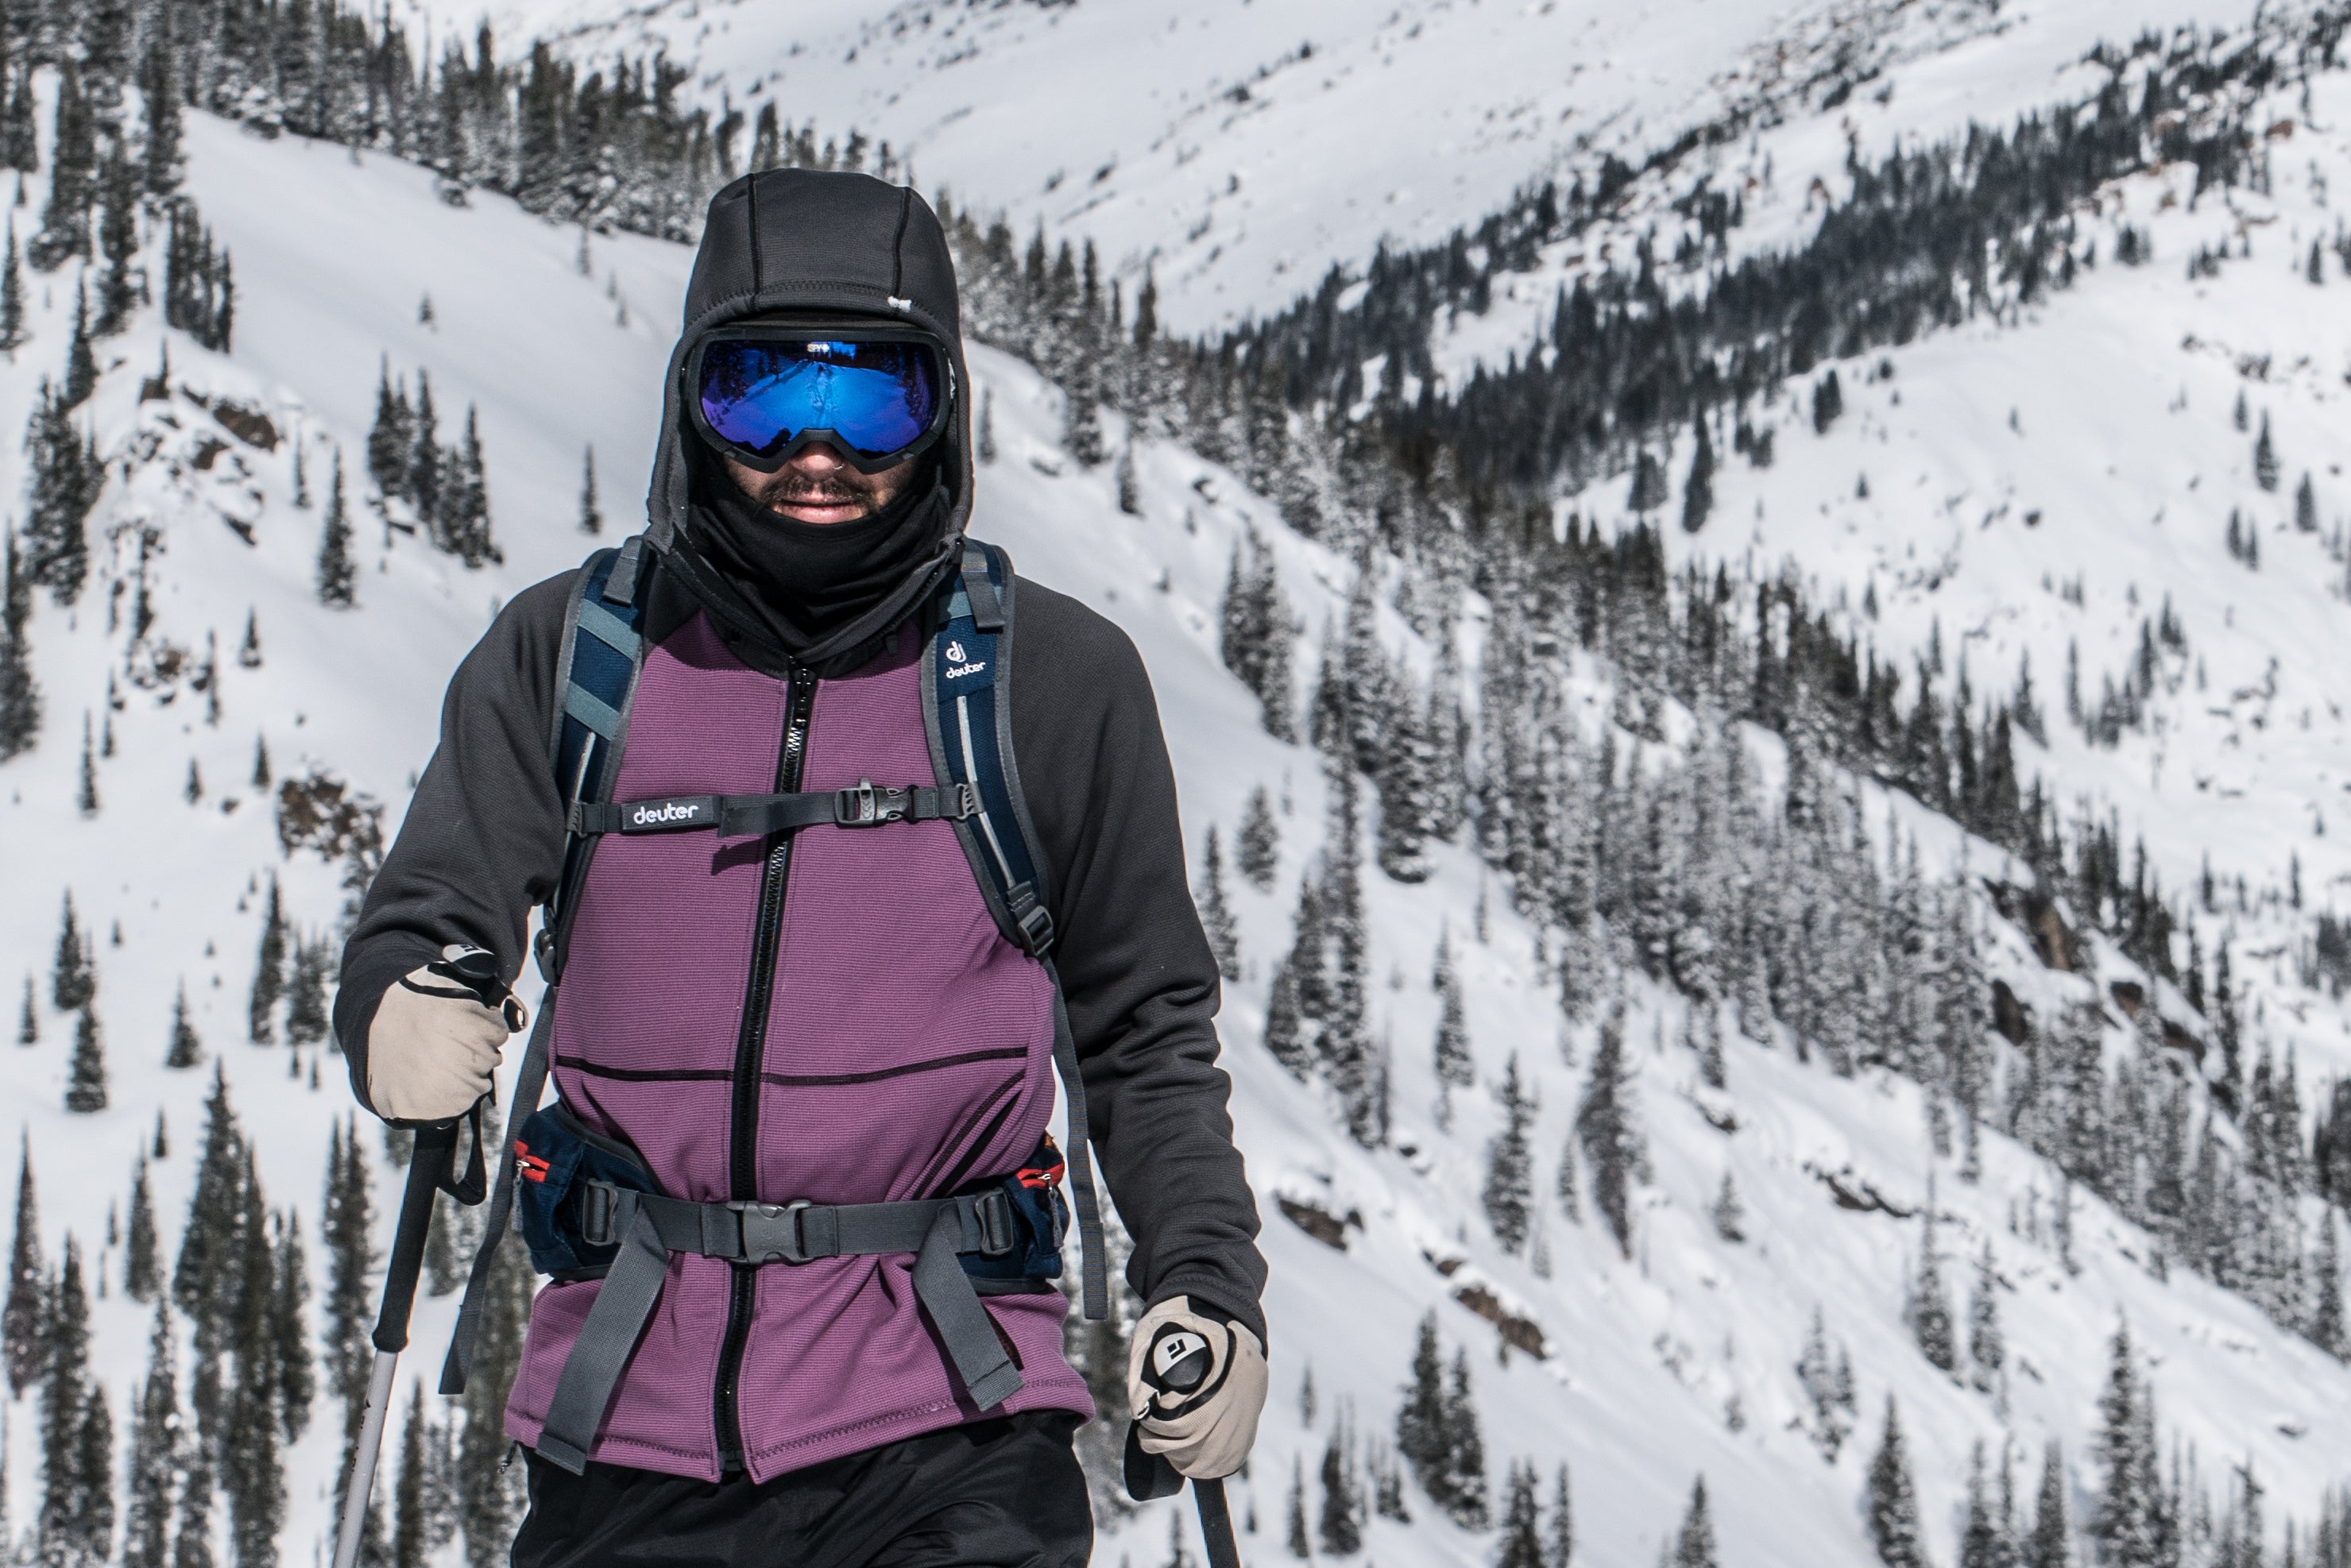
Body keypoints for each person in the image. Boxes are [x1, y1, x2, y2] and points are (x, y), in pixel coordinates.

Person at [334, 168, 1267, 1567]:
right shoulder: (577, 657)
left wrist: (1204, 1281)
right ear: (690, 408)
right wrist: (401, 1003)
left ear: (941, 414)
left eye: (873, 398)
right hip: (632, 1430)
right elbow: (431, 909)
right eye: (762, 396)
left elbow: (1142, 1032)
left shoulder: (1047, 683)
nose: (815, 450)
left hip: (955, 1423)